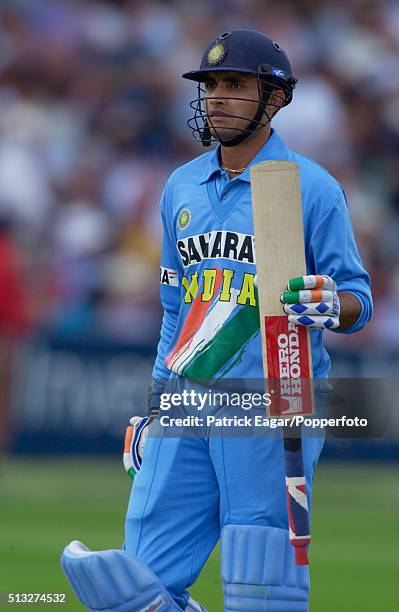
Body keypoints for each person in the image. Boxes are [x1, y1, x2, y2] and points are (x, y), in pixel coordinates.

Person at [61, 29, 372, 611]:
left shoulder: (313, 188)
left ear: (275, 98)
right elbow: (175, 309)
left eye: (235, 85)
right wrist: (155, 407)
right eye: (211, 86)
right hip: (187, 398)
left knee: (262, 583)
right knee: (133, 587)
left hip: (272, 399)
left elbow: (358, 299)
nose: (218, 98)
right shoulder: (180, 185)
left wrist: (329, 304)